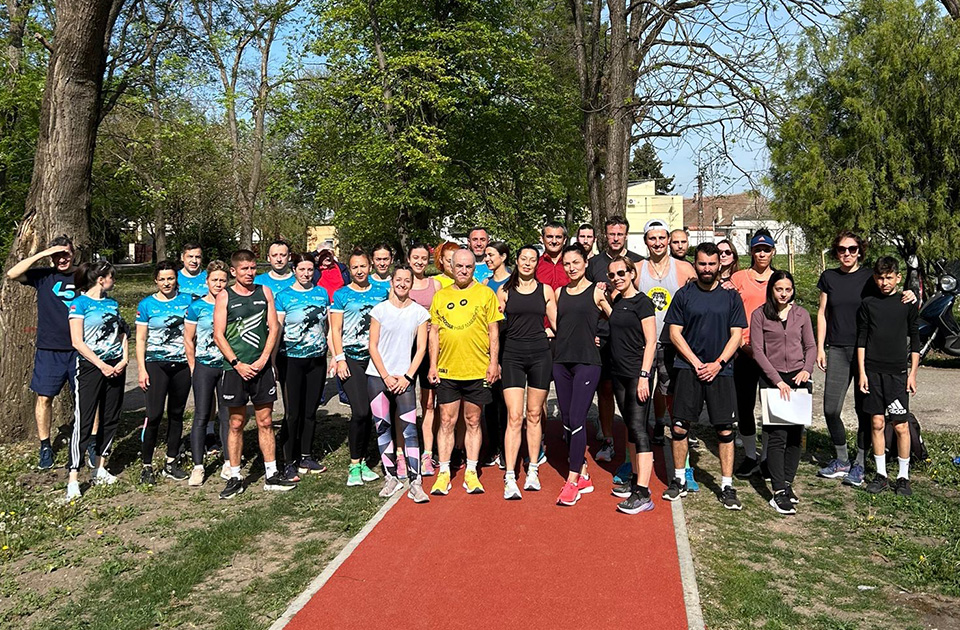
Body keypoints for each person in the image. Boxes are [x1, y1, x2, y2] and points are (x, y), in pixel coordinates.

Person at [815, 231, 916, 486]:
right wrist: (820, 348)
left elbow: (890, 291)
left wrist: (910, 294)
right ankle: (842, 459)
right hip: (838, 349)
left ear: (859, 251)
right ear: (836, 251)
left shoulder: (870, 277)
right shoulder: (829, 277)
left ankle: (860, 463)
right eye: (841, 249)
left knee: (865, 411)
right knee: (830, 409)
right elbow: (822, 313)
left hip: (867, 352)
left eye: (852, 249)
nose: (847, 253)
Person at [663, 242, 748, 510]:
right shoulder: (684, 294)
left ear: (719, 264)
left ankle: (727, 485)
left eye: (712, 264)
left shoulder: (731, 297)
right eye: (702, 264)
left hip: (721, 371)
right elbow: (674, 333)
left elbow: (737, 335)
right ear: (695, 264)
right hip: (689, 369)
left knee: (725, 430)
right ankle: (679, 479)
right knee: (679, 427)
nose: (707, 268)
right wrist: (696, 362)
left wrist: (718, 363)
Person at [214, 249, 296, 498]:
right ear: (233, 271)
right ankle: (235, 476)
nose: (249, 273)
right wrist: (237, 363)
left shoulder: (265, 292)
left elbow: (274, 328)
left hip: (261, 369)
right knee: (236, 423)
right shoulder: (225, 296)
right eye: (244, 269)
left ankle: (271, 474)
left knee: (266, 421)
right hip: (235, 370)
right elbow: (218, 335)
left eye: (252, 268)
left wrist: (264, 360)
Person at [427, 249, 503, 496]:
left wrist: (493, 363)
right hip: (448, 371)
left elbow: (493, 331)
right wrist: (432, 365)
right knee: (446, 421)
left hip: (476, 370)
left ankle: (471, 471)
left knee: (472, 420)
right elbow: (434, 333)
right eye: (459, 266)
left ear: (474, 268)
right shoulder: (441, 296)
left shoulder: (485, 293)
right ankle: (444, 472)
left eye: (468, 267)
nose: (463, 271)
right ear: (450, 266)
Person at [6, 235, 79, 470]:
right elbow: (12, 274)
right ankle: (45, 446)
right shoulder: (44, 276)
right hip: (49, 349)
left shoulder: (84, 275)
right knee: (44, 398)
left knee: (86, 399)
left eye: (65, 254)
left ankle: (88, 442)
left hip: (81, 348)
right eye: (56, 255)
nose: (61, 259)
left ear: (73, 254)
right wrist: (42, 254)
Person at [634, 219, 697, 487]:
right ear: (646, 241)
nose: (658, 243)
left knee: (676, 407)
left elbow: (700, 301)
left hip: (674, 345)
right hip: (644, 345)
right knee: (637, 407)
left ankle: (685, 467)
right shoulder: (637, 269)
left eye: (662, 238)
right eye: (653, 238)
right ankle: (633, 464)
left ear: (668, 240)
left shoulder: (683, 269)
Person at [750, 271, 816, 515]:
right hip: (773, 379)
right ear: (771, 290)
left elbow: (810, 345)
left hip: (798, 378)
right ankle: (777, 491)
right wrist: (777, 381)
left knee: (795, 435)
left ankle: (787, 483)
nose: (784, 294)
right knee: (777, 436)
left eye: (788, 289)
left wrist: (807, 370)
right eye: (779, 289)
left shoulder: (802, 314)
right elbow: (758, 351)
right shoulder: (760, 315)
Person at [497, 245, 557, 500]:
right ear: (517, 260)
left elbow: (557, 324)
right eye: (524, 258)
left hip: (540, 356)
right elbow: (495, 327)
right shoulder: (504, 291)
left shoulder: (545, 290)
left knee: (533, 414)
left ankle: (533, 469)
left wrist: (550, 333)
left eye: (533, 259)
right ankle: (510, 475)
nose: (528, 263)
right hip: (512, 356)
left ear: (536, 264)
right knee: (514, 416)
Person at [367, 264, 431, 503]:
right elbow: (373, 346)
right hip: (378, 377)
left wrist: (407, 376)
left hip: (405, 379)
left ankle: (415, 482)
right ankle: (391, 477)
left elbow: (421, 348)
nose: (402, 284)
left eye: (407, 280)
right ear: (391, 282)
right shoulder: (379, 310)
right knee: (382, 427)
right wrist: (385, 376)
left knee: (410, 429)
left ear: (411, 284)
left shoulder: (419, 313)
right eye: (399, 280)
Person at [857, 257, 920, 496]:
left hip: (898, 374)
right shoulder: (868, 304)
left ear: (898, 277)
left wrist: (912, 374)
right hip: (873, 372)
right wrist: (862, 372)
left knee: (901, 425)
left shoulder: (907, 303)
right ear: (875, 278)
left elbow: (915, 339)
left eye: (889, 278)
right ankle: (881, 474)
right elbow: (862, 339)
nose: (884, 282)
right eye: (880, 278)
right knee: (876, 423)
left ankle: (903, 477)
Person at [65, 261, 127, 500]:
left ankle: (100, 467)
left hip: (115, 367)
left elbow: (122, 332)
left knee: (111, 417)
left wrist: (124, 359)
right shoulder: (79, 304)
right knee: (84, 420)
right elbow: (77, 341)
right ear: (101, 279)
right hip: (91, 368)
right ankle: (73, 476)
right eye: (112, 276)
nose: (114, 280)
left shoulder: (112, 304)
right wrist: (101, 365)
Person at [553, 244, 609, 506]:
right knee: (566, 420)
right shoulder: (559, 292)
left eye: (576, 262)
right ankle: (583, 472)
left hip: (587, 362)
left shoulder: (596, 292)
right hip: (561, 362)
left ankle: (572, 480)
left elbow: (616, 319)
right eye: (567, 264)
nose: (571, 268)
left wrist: (602, 336)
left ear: (586, 263)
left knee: (577, 418)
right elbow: (559, 324)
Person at [601, 257, 657, 514]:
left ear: (632, 273)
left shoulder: (642, 302)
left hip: (637, 374)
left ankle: (643, 494)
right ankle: (635, 479)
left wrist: (644, 375)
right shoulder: (618, 301)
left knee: (638, 428)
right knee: (629, 428)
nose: (617, 278)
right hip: (619, 374)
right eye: (612, 275)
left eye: (621, 273)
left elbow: (651, 341)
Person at [586, 216, 643, 463]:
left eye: (620, 234)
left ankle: (636, 442)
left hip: (630, 338)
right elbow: (587, 301)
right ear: (605, 236)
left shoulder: (638, 262)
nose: (616, 238)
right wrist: (593, 332)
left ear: (626, 235)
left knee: (632, 391)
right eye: (612, 234)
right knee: (606, 388)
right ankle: (608, 439)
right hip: (603, 335)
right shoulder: (594, 264)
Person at [331, 248, 389, 487]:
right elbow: (335, 330)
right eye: (354, 267)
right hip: (352, 359)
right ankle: (354, 465)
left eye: (363, 266)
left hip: (376, 358)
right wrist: (339, 358)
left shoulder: (382, 292)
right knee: (360, 411)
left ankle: (365, 461)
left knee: (374, 412)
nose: (359, 271)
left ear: (370, 267)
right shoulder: (341, 294)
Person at [135, 261, 194, 485]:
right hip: (156, 365)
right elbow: (141, 339)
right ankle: (147, 465)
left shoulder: (188, 300)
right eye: (162, 279)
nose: (167, 283)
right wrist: (141, 369)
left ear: (176, 279)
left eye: (170, 278)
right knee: (154, 415)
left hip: (182, 365)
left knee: (176, 414)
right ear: (156, 281)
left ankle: (171, 462)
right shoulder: (147, 305)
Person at [275, 253, 330, 481]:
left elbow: (326, 325)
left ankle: (306, 456)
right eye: (302, 270)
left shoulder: (322, 293)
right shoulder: (283, 296)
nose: (306, 274)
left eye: (310, 270)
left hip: (316, 360)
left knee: (310, 411)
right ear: (294, 270)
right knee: (292, 413)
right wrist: (273, 361)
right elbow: (277, 330)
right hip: (291, 360)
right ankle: (288, 461)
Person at [730, 229, 776, 479]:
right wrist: (738, 342)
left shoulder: (779, 279)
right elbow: (728, 310)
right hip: (744, 350)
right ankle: (750, 456)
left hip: (772, 352)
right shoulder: (738, 278)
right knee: (745, 406)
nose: (762, 254)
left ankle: (767, 458)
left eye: (766, 249)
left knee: (770, 407)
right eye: (758, 249)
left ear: (773, 252)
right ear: (751, 252)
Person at [184, 261, 231, 486]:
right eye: (215, 280)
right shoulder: (197, 307)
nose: (219, 284)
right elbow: (188, 339)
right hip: (204, 366)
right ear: (207, 281)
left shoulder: (232, 304)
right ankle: (198, 466)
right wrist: (193, 366)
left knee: (227, 415)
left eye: (223, 280)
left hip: (226, 366)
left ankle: (229, 462)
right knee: (202, 415)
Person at [407, 243, 442, 476]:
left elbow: (439, 319)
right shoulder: (401, 283)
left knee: (429, 403)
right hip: (407, 349)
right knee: (406, 403)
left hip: (429, 349)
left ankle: (428, 453)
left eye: (423, 258)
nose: (419, 262)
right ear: (408, 259)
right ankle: (407, 450)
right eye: (415, 258)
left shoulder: (435, 285)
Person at [481, 241, 511, 466]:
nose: (487, 259)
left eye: (491, 255)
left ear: (503, 256)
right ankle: (493, 447)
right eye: (485, 255)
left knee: (504, 398)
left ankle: (506, 448)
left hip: (507, 342)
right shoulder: (485, 283)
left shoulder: (512, 282)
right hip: (486, 344)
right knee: (489, 398)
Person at [536, 221, 569, 290]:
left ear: (564, 240)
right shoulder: (535, 265)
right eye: (549, 237)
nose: (554, 241)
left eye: (558, 237)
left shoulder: (573, 265)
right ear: (542, 239)